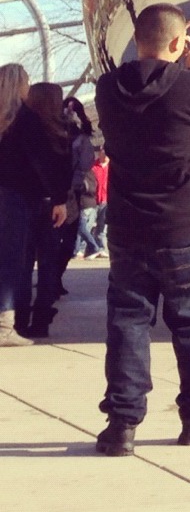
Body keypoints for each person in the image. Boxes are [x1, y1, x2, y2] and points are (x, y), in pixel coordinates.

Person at [92, 3, 190, 452]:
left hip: (128, 229)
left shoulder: (107, 89)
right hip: (184, 226)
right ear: (180, 43)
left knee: (128, 322)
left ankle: (122, 423)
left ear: (137, 41)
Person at [0, 79, 69, 347]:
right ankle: (40, 320)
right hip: (47, 201)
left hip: (23, 199)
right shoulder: (59, 130)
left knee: (21, 262)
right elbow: (54, 167)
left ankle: (19, 318)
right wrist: (59, 198)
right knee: (48, 263)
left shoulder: (14, 123)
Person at [26, 94, 97, 336]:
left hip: (54, 195)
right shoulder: (62, 135)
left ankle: (44, 295)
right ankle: (45, 298)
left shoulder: (68, 135)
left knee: (51, 247)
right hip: (59, 195)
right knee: (57, 244)